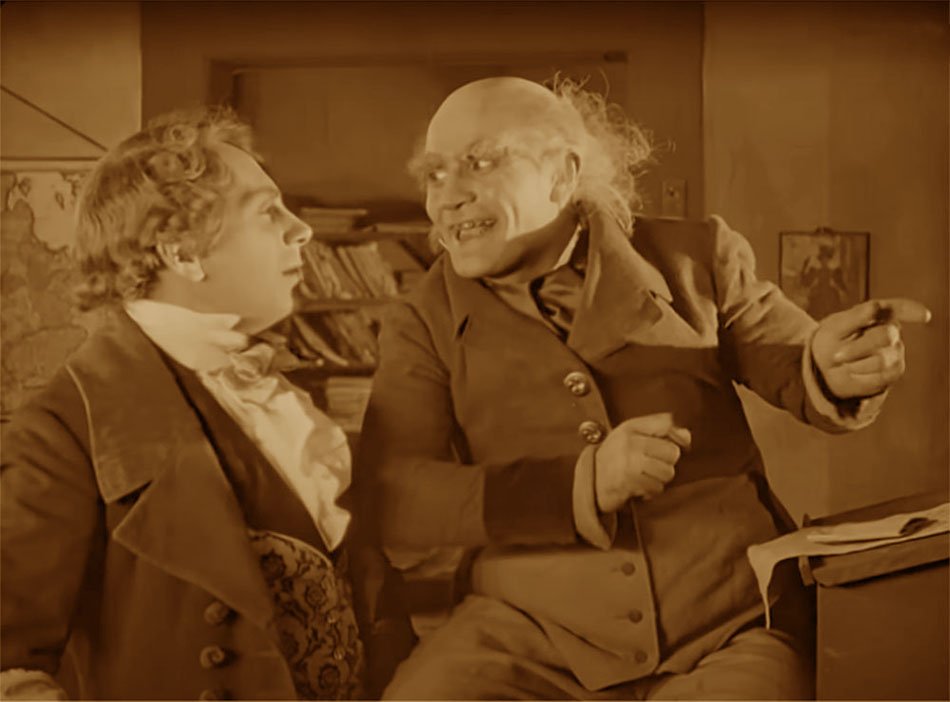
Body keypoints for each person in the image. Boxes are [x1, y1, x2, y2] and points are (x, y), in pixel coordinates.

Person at [357, 76, 932, 700]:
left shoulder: (696, 256)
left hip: (728, 624)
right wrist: (582, 485)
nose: (449, 197)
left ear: (562, 174)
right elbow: (398, 493)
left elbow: (794, 358)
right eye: (435, 174)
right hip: (526, 635)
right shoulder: (420, 320)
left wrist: (832, 364)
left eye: (480, 162)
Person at [0, 107, 412, 700]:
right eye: (267, 211)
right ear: (182, 252)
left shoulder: (284, 399)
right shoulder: (65, 429)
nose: (301, 230)